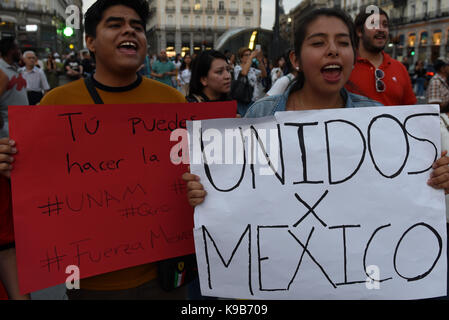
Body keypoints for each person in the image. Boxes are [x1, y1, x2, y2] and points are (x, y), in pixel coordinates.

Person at [182, 10, 449, 302]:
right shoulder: (262, 114)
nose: (333, 50)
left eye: (343, 42)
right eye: (319, 43)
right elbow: (231, 190)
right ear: (295, 59)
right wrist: (204, 192)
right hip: (282, 279)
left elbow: (404, 195)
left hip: (357, 282)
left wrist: (437, 177)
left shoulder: (378, 118)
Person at [0, 0, 187, 300]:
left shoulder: (173, 102)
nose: (130, 31)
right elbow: (38, 190)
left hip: (165, 278)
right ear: (91, 42)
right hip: (90, 283)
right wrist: (12, 170)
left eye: (137, 27)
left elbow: (194, 179)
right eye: (115, 25)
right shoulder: (55, 105)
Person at [0, 38, 30, 300]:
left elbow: (6, 249)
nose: (20, 51)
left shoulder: (13, 70)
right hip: (8, 141)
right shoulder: (1, 72)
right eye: (16, 48)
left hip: (17, 143)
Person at [346, 7, 416, 106]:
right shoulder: (345, 67)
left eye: (385, 25)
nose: (381, 29)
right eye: (374, 24)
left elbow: (411, 109)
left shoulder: (400, 68)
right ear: (359, 31)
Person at [233, 47, 267, 116]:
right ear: (241, 58)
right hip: (243, 101)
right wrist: (251, 58)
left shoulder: (252, 69)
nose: (249, 56)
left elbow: (264, 74)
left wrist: (260, 61)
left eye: (250, 54)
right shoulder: (237, 68)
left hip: (254, 100)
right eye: (246, 55)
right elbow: (244, 73)